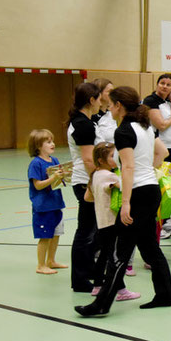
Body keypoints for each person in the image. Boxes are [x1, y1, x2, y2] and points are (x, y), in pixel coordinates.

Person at [75, 86, 171, 316]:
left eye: (110, 104)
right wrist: (148, 172)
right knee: (150, 248)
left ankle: (101, 304)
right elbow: (161, 154)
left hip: (138, 195)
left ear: (119, 105)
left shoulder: (124, 131)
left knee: (120, 250)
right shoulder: (145, 126)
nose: (108, 108)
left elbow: (128, 167)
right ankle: (165, 295)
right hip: (151, 190)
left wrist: (126, 202)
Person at [85, 142, 139, 301]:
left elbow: (87, 197)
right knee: (115, 258)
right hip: (111, 223)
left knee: (104, 255)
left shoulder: (95, 174)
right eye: (112, 156)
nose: (116, 159)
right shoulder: (109, 176)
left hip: (101, 222)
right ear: (101, 160)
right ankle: (121, 290)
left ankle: (97, 285)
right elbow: (125, 187)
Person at [67, 82, 102, 292]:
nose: (100, 103)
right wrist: (96, 182)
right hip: (85, 182)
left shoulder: (84, 121)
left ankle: (89, 270)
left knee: (92, 231)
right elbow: (89, 160)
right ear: (91, 100)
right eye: (98, 98)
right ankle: (79, 279)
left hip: (85, 180)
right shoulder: (83, 124)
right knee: (85, 232)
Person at [27, 129, 66, 275]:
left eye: (53, 141)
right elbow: (38, 185)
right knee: (45, 236)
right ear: (38, 146)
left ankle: (51, 260)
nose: (53, 144)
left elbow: (58, 182)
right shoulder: (36, 163)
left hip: (56, 203)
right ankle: (40, 265)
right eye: (48, 142)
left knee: (56, 234)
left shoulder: (54, 160)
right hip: (43, 207)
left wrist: (64, 175)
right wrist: (53, 178)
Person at [143, 74, 171, 163]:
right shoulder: (150, 100)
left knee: (168, 176)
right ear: (157, 84)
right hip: (157, 146)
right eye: (162, 83)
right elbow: (161, 125)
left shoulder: (168, 102)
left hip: (170, 146)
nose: (164, 86)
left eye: (168, 85)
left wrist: (170, 97)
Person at [92, 78, 117, 145]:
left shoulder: (110, 114)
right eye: (109, 91)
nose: (113, 94)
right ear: (99, 93)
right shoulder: (93, 116)